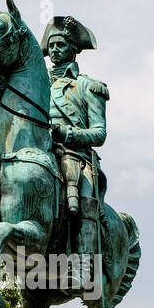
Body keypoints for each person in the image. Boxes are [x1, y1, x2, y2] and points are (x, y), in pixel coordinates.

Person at [40, 15, 108, 258]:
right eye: (52, 46)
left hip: (76, 156)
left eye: (61, 45)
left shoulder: (88, 86)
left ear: (73, 50)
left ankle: (85, 262)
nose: (55, 50)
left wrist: (67, 134)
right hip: (39, 150)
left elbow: (100, 133)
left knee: (84, 193)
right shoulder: (36, 84)